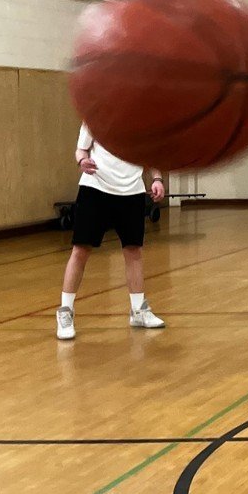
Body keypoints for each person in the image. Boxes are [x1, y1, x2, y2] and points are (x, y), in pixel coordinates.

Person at [56, 124, 166, 340]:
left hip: (132, 191)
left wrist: (157, 178)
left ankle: (138, 310)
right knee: (80, 250)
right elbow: (81, 150)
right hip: (95, 189)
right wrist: (81, 161)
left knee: (133, 251)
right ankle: (65, 312)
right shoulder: (95, 117)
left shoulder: (144, 120)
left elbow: (150, 155)